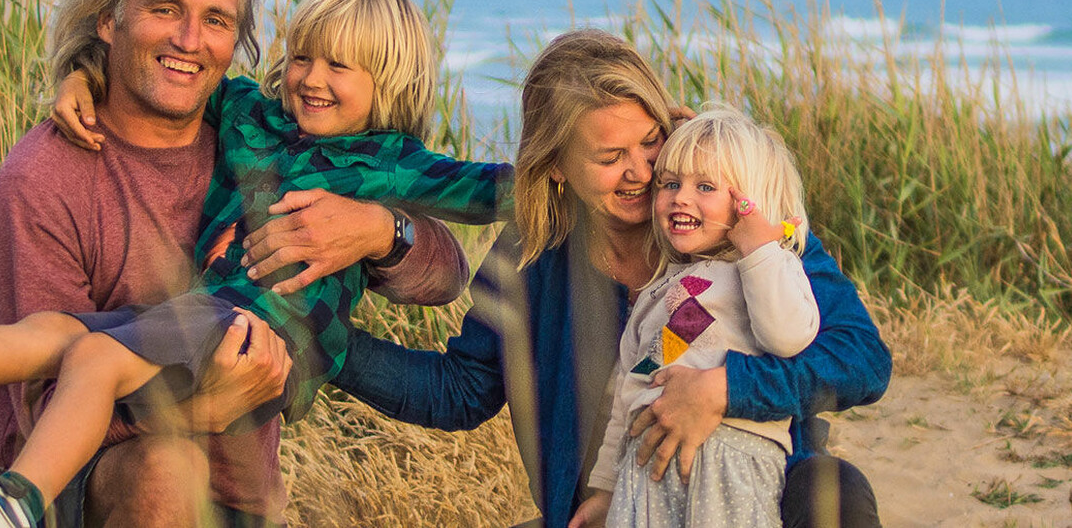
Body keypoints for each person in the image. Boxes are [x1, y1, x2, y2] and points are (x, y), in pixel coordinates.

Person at [0, 0, 471, 527]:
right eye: (165, 10)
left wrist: (381, 231)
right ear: (110, 20)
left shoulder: (255, 139)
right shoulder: (45, 178)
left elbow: (443, 272)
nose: (190, 40)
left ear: (233, 45)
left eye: (216, 19)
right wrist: (200, 411)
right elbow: (44, 400)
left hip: (242, 497)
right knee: (166, 462)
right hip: (75, 485)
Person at [320, 29, 891, 528]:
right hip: (615, 508)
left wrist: (724, 390)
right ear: (557, 170)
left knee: (835, 492)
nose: (642, 173)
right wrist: (320, 342)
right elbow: (459, 392)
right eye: (610, 156)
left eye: (651, 142)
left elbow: (862, 359)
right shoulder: (529, 256)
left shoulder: (739, 219)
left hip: (752, 496)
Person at [572, 107, 819, 527]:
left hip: (729, 460)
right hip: (646, 465)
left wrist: (758, 250)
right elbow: (633, 383)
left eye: (705, 186)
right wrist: (605, 489)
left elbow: (787, 336)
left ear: (749, 203)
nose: (680, 197)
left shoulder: (763, 271)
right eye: (670, 183)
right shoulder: (667, 292)